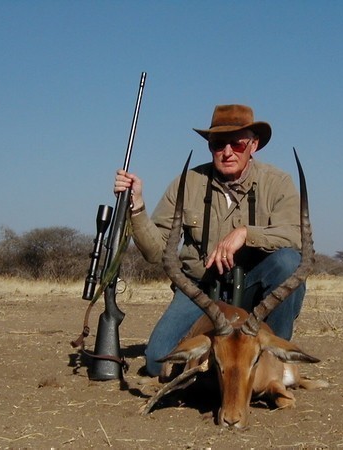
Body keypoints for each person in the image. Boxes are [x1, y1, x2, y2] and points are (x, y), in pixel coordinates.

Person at [114, 104, 305, 377]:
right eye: (218, 144)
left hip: (253, 290)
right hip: (200, 290)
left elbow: (296, 235)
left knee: (288, 262)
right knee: (158, 362)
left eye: (237, 145)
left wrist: (246, 234)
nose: (227, 152)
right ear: (210, 147)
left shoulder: (277, 182)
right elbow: (156, 253)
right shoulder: (187, 183)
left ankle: (273, 357)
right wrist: (137, 208)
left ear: (254, 145)